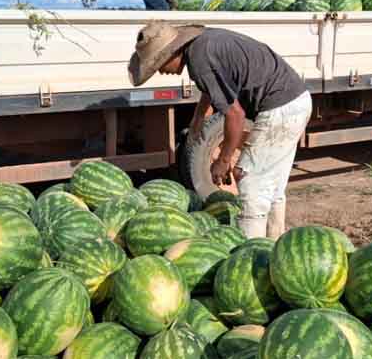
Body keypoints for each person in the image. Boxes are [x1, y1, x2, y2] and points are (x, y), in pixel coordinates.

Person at [128, 22, 312, 239]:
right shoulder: (202, 45)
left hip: (280, 108)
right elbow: (214, 87)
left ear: (172, 52)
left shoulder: (199, 59)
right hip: (296, 101)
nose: (160, 70)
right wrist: (198, 117)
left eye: (158, 63)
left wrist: (223, 160)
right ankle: (274, 243)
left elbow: (236, 115)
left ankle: (251, 251)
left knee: (248, 178)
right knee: (271, 187)